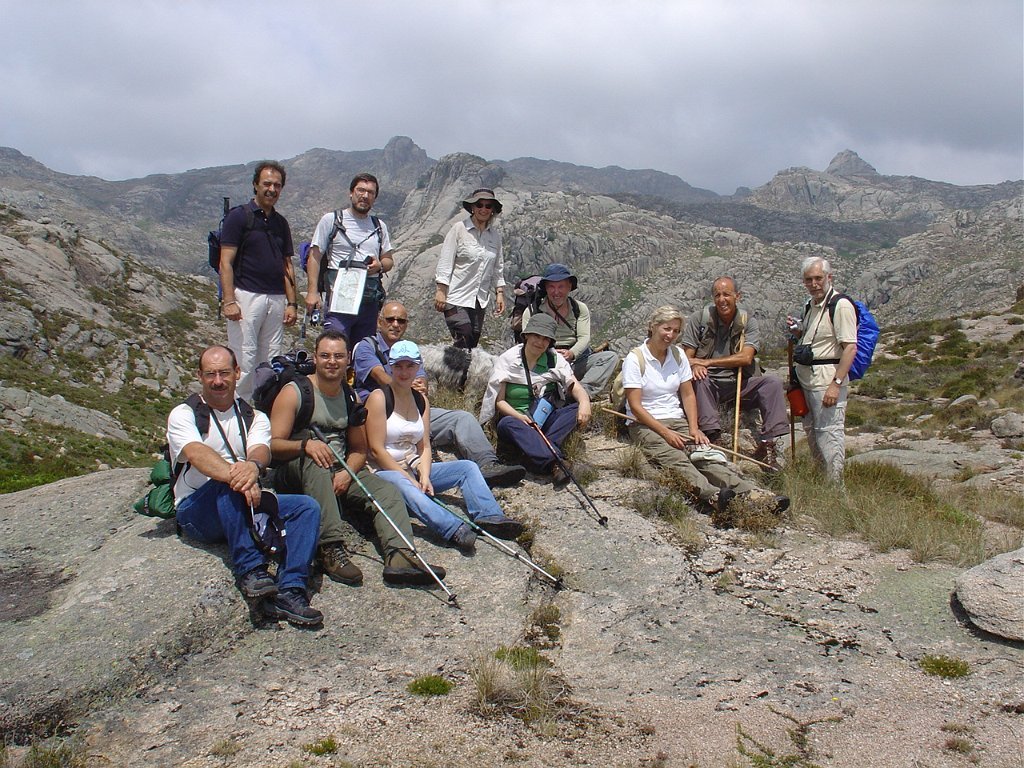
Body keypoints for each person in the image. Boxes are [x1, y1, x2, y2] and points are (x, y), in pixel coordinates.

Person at [269, 330, 445, 586]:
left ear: (347, 361)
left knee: (387, 490)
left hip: (340, 469)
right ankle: (330, 546)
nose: (332, 361)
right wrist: (306, 445)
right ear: (315, 359)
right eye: (325, 355)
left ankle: (400, 555)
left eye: (339, 356)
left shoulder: (349, 396)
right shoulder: (295, 392)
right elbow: (273, 445)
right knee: (318, 460)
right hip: (297, 467)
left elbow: (359, 449)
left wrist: (347, 472)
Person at [167, 345, 322, 627]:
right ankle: (251, 569)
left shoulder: (253, 416)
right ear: (199, 376)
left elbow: (261, 450)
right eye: (210, 374)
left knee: (306, 508)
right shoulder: (184, 414)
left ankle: (292, 589)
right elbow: (195, 453)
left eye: (224, 373)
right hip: (197, 510)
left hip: (243, 500)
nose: (218, 381)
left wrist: (251, 468)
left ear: (237, 373)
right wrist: (238, 477)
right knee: (227, 486)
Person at [623, 306, 789, 515]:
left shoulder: (678, 356)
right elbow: (635, 406)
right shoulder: (635, 358)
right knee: (677, 459)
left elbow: (688, 394)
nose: (670, 335)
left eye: (675, 331)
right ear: (653, 327)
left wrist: (694, 428)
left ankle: (753, 494)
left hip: (677, 419)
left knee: (705, 457)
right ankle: (713, 495)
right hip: (645, 424)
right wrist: (666, 433)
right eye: (666, 329)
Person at [364, 340, 525, 553]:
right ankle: (453, 528)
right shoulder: (378, 398)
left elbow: (424, 446)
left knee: (467, 467)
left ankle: (489, 515)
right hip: (384, 472)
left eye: (410, 366)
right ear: (391, 367)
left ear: (418, 367)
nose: (404, 372)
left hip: (412, 465)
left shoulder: (420, 400)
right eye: (398, 366)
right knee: (402, 484)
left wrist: (424, 475)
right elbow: (376, 450)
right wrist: (411, 480)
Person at [352, 300, 526, 488]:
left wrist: (422, 386)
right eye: (390, 319)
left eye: (401, 321)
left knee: (462, 418)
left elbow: (422, 378)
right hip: (381, 417)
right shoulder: (367, 347)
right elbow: (379, 375)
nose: (395, 324)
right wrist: (407, 387)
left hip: (413, 410)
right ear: (379, 322)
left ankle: (488, 464)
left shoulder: (411, 349)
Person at [680, 276, 789, 470]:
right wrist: (695, 365)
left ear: (737, 296)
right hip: (710, 384)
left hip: (739, 384)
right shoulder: (700, 319)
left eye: (727, 294)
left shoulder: (748, 322)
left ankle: (769, 444)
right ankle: (713, 438)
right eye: (717, 295)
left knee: (772, 383)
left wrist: (706, 361)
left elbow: (746, 357)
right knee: (700, 379)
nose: (722, 299)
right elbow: (686, 357)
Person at [480, 314, 592, 487]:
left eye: (546, 339)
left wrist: (585, 404)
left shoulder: (554, 360)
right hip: (516, 421)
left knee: (573, 408)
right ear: (526, 335)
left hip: (544, 419)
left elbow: (575, 387)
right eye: (536, 336)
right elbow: (499, 402)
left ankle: (535, 455)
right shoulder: (508, 360)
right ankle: (555, 462)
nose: (540, 342)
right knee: (508, 423)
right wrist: (519, 417)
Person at [219, 161, 298, 400]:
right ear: (255, 185)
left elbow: (287, 264)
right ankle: (238, 412)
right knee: (244, 358)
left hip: (275, 298)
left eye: (277, 185)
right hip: (247, 295)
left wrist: (292, 303)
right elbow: (226, 262)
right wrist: (229, 300)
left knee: (271, 361)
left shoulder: (280, 223)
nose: (272, 189)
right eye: (267, 184)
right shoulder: (239, 217)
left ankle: (263, 414)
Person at [304, 173, 394, 348]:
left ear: (375, 197)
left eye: (370, 192)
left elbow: (389, 260)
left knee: (363, 353)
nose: (365, 196)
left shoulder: (379, 226)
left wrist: (380, 266)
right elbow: (314, 257)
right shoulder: (331, 220)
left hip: (368, 302)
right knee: (335, 350)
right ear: (351, 193)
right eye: (361, 190)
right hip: (339, 302)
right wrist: (312, 292)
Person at [789, 256, 857, 484]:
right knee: (812, 431)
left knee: (829, 432)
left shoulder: (841, 305)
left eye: (818, 278)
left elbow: (849, 347)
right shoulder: (810, 305)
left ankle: (835, 487)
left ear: (829, 277)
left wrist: (836, 385)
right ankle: (821, 480)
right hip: (807, 378)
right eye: (809, 280)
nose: (814, 284)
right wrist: (799, 333)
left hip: (827, 379)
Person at [520, 263, 619, 397]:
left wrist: (571, 353)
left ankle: (581, 393)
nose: (556, 292)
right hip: (544, 362)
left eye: (561, 286)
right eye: (551, 287)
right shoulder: (532, 311)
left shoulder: (579, 308)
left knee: (609, 357)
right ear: (546, 288)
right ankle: (554, 389)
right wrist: (553, 355)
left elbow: (584, 337)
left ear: (569, 287)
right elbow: (528, 341)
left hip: (574, 360)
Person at [434, 188, 506, 349]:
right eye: (479, 204)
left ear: (493, 210)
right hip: (456, 297)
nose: (483, 209)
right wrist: (441, 290)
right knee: (464, 334)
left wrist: (499, 293)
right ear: (472, 207)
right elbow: (446, 260)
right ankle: (453, 372)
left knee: (472, 342)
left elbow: (497, 267)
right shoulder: (459, 229)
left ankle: (462, 373)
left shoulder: (494, 236)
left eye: (488, 206)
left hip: (479, 300)